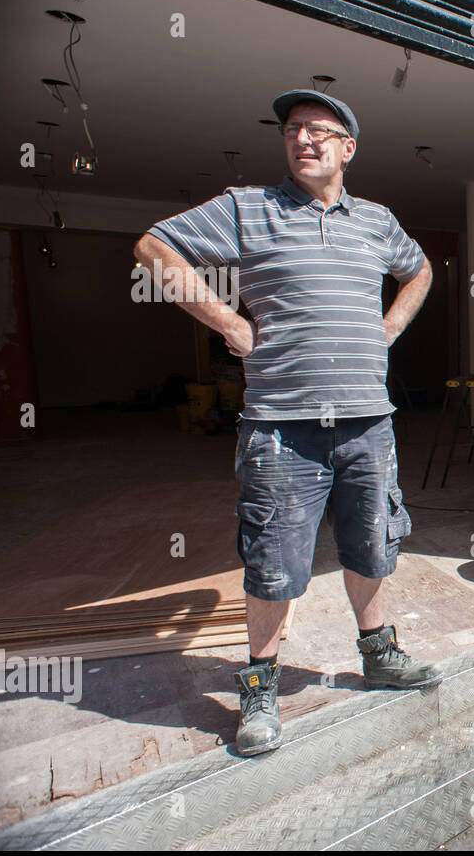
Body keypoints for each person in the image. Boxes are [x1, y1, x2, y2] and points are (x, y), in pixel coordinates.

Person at [135, 89, 440, 757]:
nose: (305, 140)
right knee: (272, 563)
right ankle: (262, 684)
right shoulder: (249, 207)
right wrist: (227, 320)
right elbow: (154, 247)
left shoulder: (377, 220)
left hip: (368, 422)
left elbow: (417, 271)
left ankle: (378, 652)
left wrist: (390, 325)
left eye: (321, 131)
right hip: (281, 427)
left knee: (371, 545)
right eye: (294, 130)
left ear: (347, 148)